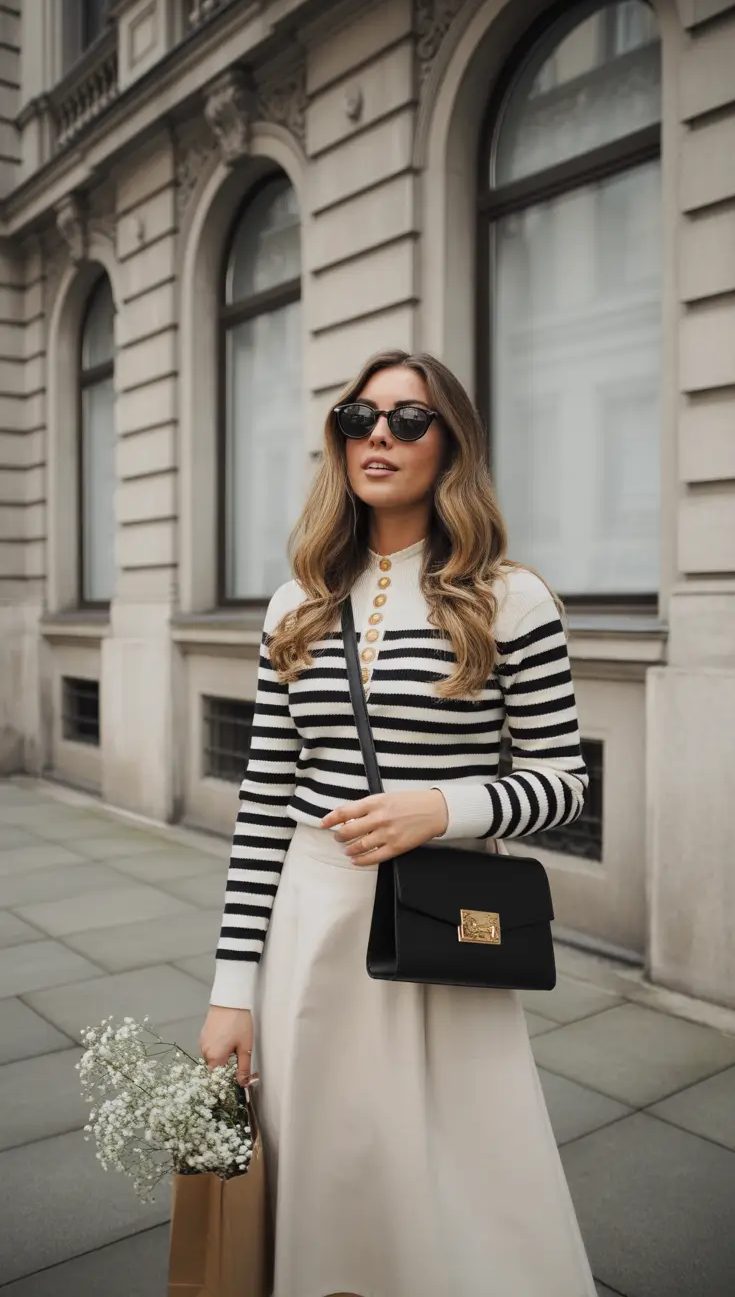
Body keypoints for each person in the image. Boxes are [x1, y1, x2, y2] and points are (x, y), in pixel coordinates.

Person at [199, 349, 597, 1297]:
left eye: (409, 419)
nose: (379, 435)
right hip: (312, 922)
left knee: (458, 1177)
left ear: (449, 443)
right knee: (329, 1168)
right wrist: (230, 986)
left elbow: (564, 782)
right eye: (358, 416)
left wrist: (443, 807)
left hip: (443, 922)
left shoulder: (511, 597)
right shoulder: (296, 603)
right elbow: (262, 803)